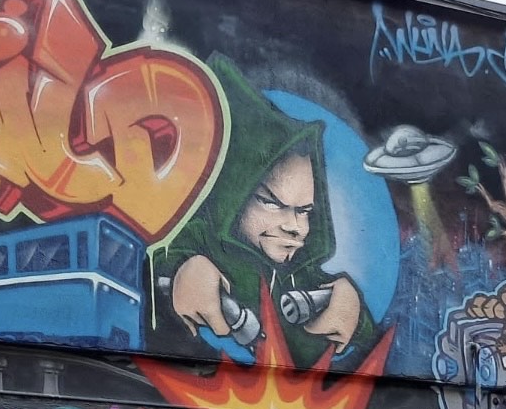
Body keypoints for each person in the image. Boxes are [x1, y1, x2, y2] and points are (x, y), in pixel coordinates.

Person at [157, 55, 376, 368]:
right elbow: (160, 257)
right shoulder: (196, 241)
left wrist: (352, 309)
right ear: (234, 195)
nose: (295, 227)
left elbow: (364, 344)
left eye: (304, 211)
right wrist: (183, 270)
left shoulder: (302, 277)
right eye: (272, 203)